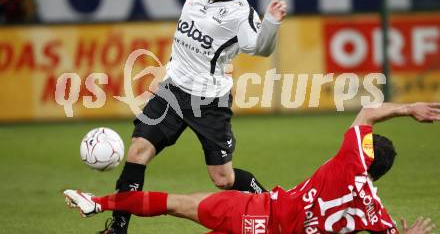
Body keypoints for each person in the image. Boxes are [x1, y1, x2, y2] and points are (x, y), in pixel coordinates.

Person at [102, 0, 287, 233]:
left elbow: (260, 48)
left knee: (223, 179)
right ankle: (118, 227)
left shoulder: (241, 14)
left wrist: (272, 24)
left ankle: (277, 208)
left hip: (209, 102)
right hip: (172, 92)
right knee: (138, 152)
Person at [65, 101, 439, 234]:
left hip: (259, 211)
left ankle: (98, 203)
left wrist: (409, 109)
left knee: (175, 203)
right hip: (268, 228)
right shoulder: (375, 212)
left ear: (365, 157)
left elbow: (370, 112)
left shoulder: (350, 160)